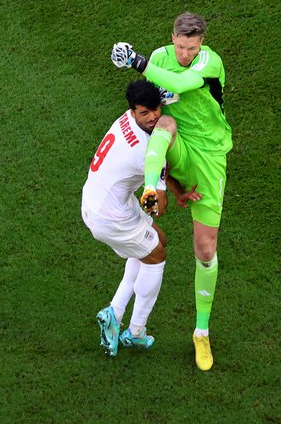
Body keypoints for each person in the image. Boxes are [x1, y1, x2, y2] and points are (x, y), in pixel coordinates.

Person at [110, 12, 232, 370]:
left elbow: (183, 83)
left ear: (202, 43)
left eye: (191, 48)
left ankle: (201, 333)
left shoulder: (210, 63)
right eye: (181, 46)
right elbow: (147, 105)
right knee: (163, 122)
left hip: (209, 158)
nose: (185, 54)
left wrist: (136, 61)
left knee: (205, 249)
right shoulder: (162, 57)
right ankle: (151, 188)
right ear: (173, 38)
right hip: (178, 144)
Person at [81, 79, 173, 357]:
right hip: (111, 217)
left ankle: (114, 313)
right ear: (133, 111)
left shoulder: (126, 119)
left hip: (100, 198)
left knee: (158, 240)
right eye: (144, 113)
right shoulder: (147, 153)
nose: (153, 117)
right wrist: (165, 175)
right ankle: (136, 332)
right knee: (156, 256)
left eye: (155, 109)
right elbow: (161, 208)